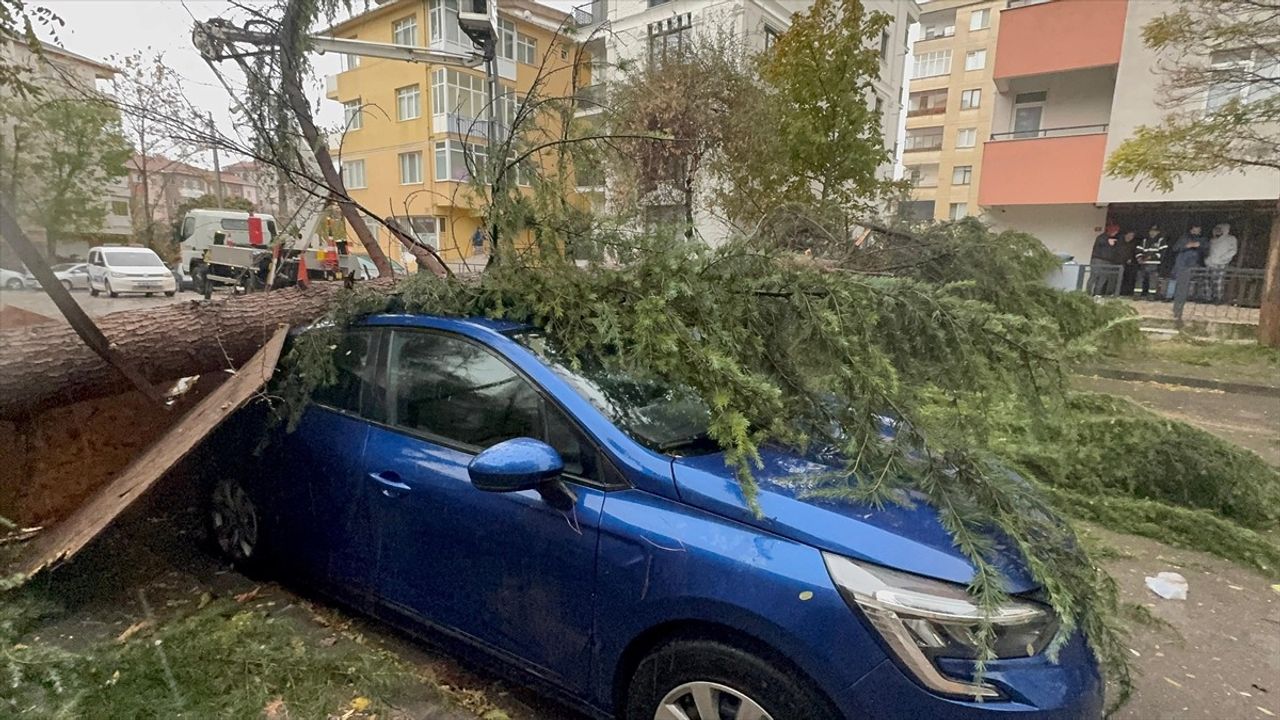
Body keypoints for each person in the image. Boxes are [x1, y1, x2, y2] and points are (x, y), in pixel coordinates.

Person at [1166, 223, 1207, 301]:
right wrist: (1186, 246)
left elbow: (1206, 249)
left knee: (1191, 279)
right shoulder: (1184, 238)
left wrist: (1200, 245)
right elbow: (1175, 248)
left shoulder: (1202, 239)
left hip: (1194, 262)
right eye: (1196, 230)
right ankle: (1169, 296)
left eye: (1199, 230)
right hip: (1181, 261)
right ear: (1191, 229)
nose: (1197, 232)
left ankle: (1188, 296)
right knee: (1174, 278)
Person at [1205, 222, 1238, 302]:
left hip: (1221, 263)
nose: (1217, 231)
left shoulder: (1231, 239)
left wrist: (1223, 258)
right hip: (1210, 263)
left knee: (1218, 281)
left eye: (1219, 229)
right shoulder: (1213, 240)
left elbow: (1233, 251)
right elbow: (1209, 251)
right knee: (1208, 281)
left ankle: (1218, 298)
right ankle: (1207, 297)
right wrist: (1207, 259)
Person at [1089, 226, 1123, 296]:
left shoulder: (1114, 240)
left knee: (1103, 278)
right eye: (1114, 232)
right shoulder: (1101, 237)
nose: (1115, 233)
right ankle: (1088, 293)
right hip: (1098, 260)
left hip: (1108, 261)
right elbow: (1100, 244)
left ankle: (1097, 294)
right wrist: (1108, 242)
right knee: (1094, 277)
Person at [1135, 225, 1167, 298]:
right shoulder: (1144, 240)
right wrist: (1139, 258)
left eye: (1154, 231)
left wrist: (1151, 257)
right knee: (1139, 278)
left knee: (1153, 280)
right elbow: (1138, 250)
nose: (1152, 233)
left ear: (1158, 232)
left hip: (1154, 265)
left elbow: (1162, 253)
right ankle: (1137, 295)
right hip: (1143, 264)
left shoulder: (1161, 240)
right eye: (1151, 231)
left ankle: (1151, 295)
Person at [1118, 229, 1140, 295]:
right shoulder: (1119, 242)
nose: (1131, 237)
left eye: (1132, 236)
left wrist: (1130, 259)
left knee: (1128, 279)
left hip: (1129, 265)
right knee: (1118, 279)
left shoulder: (1133, 244)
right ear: (1126, 234)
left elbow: (1133, 253)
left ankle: (1127, 293)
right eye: (1130, 235)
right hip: (1118, 264)